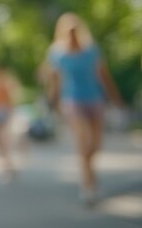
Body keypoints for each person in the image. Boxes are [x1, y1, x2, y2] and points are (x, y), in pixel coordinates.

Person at [45, 12, 122, 205]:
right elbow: (54, 82)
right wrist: (51, 102)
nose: (72, 34)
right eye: (69, 31)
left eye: (75, 30)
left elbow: (104, 76)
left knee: (95, 146)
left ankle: (90, 172)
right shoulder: (57, 53)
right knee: (82, 142)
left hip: (94, 100)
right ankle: (88, 186)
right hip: (72, 101)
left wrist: (115, 98)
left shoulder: (91, 51)